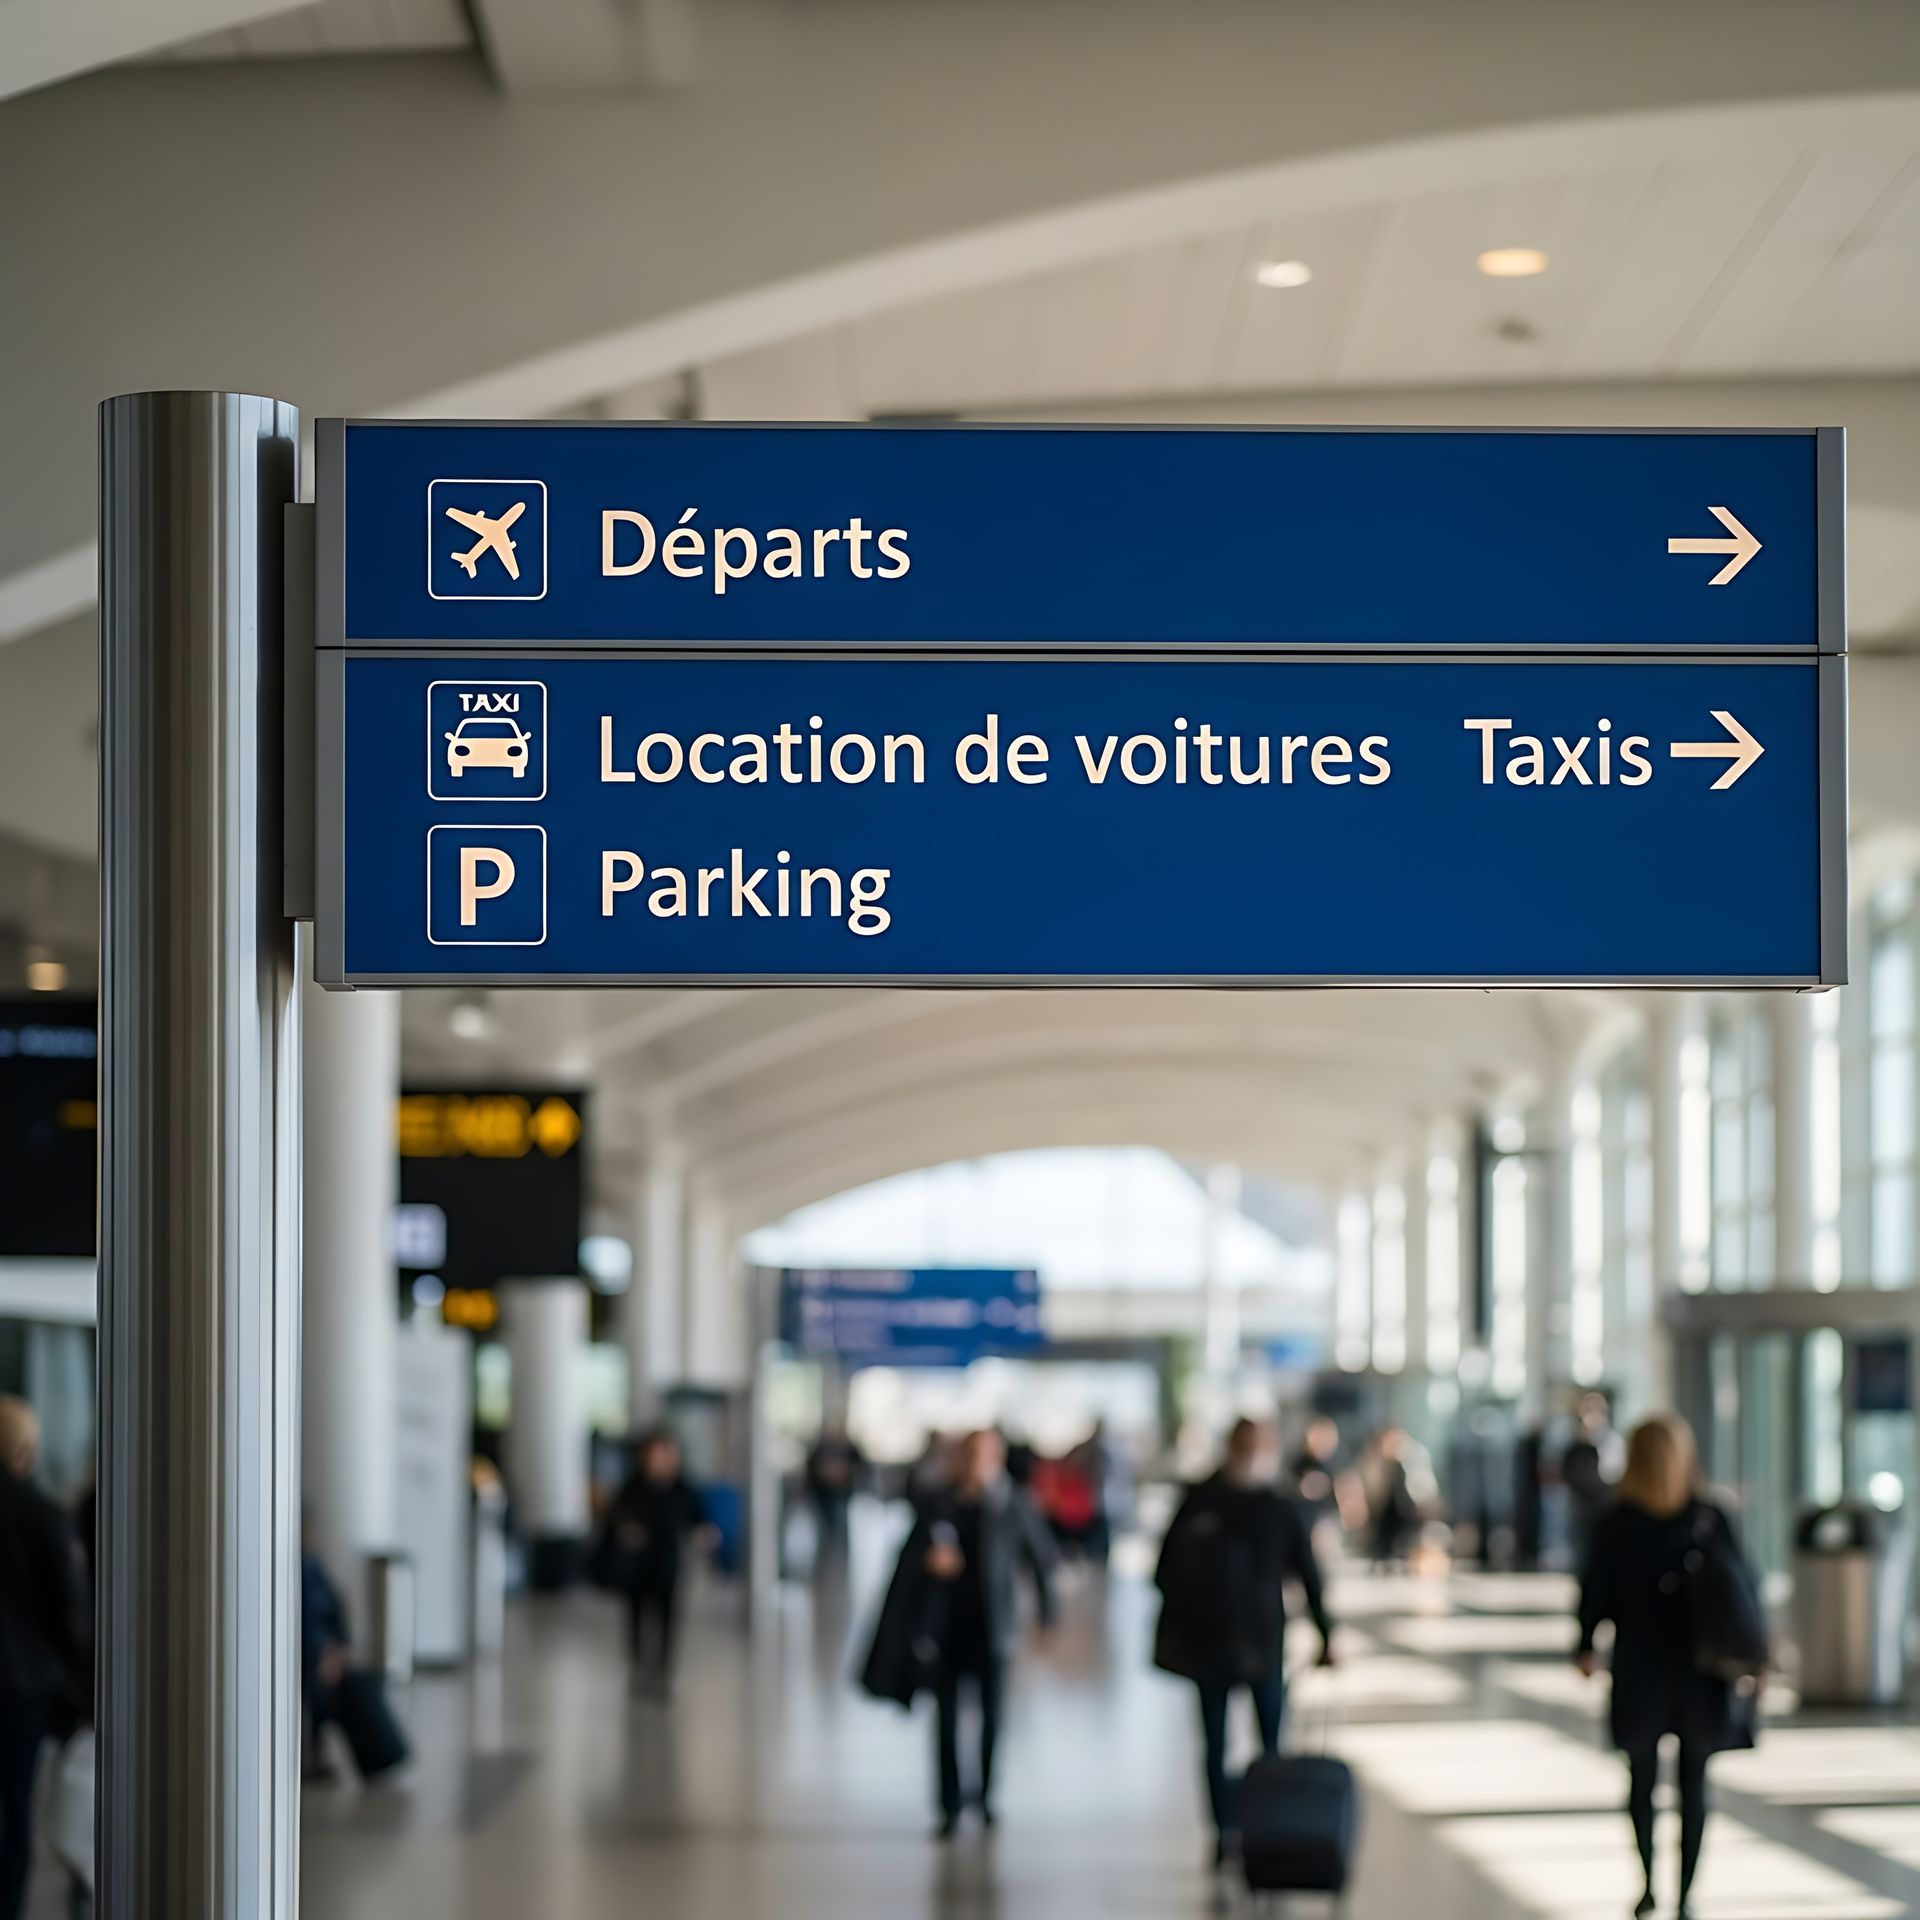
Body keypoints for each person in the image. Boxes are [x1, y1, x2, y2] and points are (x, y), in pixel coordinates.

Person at [1576, 1414, 1760, 1920]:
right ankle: (1683, 1897)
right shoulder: (1710, 1516)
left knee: (1641, 1778)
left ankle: (1649, 1884)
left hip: (1640, 1665)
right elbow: (1746, 1588)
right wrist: (1753, 1657)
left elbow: (1594, 1590)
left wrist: (1586, 1644)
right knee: (1694, 1784)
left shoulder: (1616, 1521)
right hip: (1701, 1669)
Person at [1154, 1416, 1334, 1868]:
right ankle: (1224, 1830)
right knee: (1214, 1745)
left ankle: (1264, 1829)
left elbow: (1308, 1574)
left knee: (1270, 1744)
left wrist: (1326, 1633)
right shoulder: (1200, 1501)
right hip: (1208, 1644)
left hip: (1263, 1642)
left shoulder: (1278, 1507)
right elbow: (1164, 1571)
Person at [861, 1429, 1056, 1837]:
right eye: (969, 1455)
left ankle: (984, 1797)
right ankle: (949, 1804)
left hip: (994, 1628)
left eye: (985, 1455)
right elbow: (907, 1562)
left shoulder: (1013, 1504)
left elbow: (1041, 1560)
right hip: (946, 1629)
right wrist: (928, 1564)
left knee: (992, 1719)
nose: (975, 1464)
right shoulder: (939, 1504)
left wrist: (1046, 1616)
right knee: (946, 1720)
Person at [0, 1396, 87, 1920]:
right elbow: (69, 1614)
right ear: (24, 1451)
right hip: (21, 1693)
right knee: (16, 1819)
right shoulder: (43, 1516)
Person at [601, 1428, 712, 1697]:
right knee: (637, 1617)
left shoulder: (681, 1486)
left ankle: (662, 1673)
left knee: (668, 1619)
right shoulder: (634, 1485)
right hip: (638, 1564)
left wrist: (702, 1533)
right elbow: (615, 1516)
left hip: (668, 1561)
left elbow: (697, 1516)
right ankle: (639, 1669)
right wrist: (626, 1530)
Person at [300, 1517, 352, 1780]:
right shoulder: (293, 1571)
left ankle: (314, 1754)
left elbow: (336, 1607)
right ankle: (306, 1756)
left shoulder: (314, 1569)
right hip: (305, 1654)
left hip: (320, 1651)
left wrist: (336, 1651)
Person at [1562, 1391, 1622, 1567]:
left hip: (1605, 1504)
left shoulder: (1612, 1441)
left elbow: (1614, 1472)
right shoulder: (1575, 1443)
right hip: (1580, 1506)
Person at [803, 1422, 867, 1565]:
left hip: (842, 1494)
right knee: (825, 1528)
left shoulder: (850, 1449)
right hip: (824, 1495)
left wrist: (844, 1474)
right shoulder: (821, 1448)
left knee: (841, 1526)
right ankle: (826, 1556)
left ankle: (839, 1556)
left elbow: (861, 1468)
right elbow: (811, 1471)